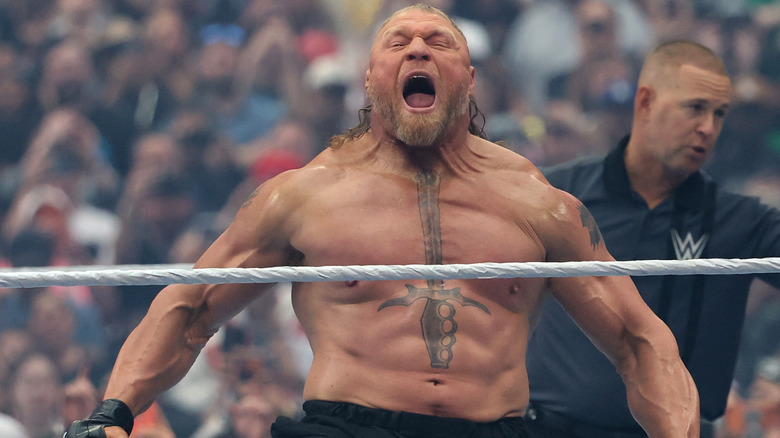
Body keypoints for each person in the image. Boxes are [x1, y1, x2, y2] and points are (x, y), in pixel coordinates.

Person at [65, 5, 699, 438]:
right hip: (345, 424)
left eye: (438, 43)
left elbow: (638, 340)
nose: (417, 48)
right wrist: (112, 413)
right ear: (370, 79)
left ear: (469, 79)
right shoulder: (303, 197)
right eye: (397, 44)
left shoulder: (539, 204)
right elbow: (190, 308)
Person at [525, 40, 780, 438]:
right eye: (695, 107)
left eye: (719, 114)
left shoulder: (739, 220)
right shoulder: (558, 193)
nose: (708, 128)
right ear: (645, 101)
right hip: (549, 428)